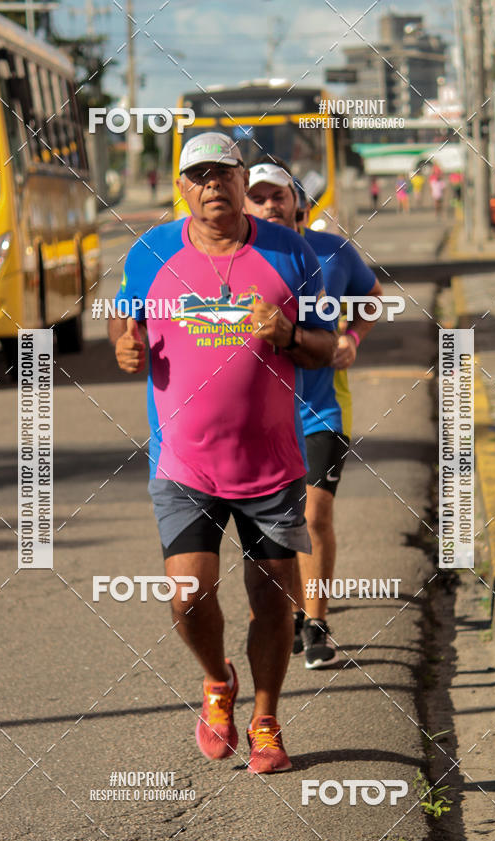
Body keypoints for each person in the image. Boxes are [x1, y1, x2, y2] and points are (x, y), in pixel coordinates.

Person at [109, 133, 336, 773]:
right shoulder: (151, 252)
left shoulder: (292, 252)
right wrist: (124, 346)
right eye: (198, 175)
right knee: (187, 594)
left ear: (242, 181)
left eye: (223, 173)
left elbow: (325, 346)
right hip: (184, 463)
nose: (213, 185)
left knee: (271, 598)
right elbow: (125, 320)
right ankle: (217, 682)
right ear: (181, 187)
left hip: (271, 464)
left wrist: (289, 333)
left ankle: (266, 720)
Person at [244, 158, 382, 669]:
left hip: (320, 409)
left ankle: (316, 621)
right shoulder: (236, 259)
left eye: (277, 195)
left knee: (314, 514)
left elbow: (371, 298)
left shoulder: (333, 251)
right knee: (271, 524)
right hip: (256, 417)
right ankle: (285, 613)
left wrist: (351, 338)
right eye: (256, 197)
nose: (268, 205)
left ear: (298, 203)